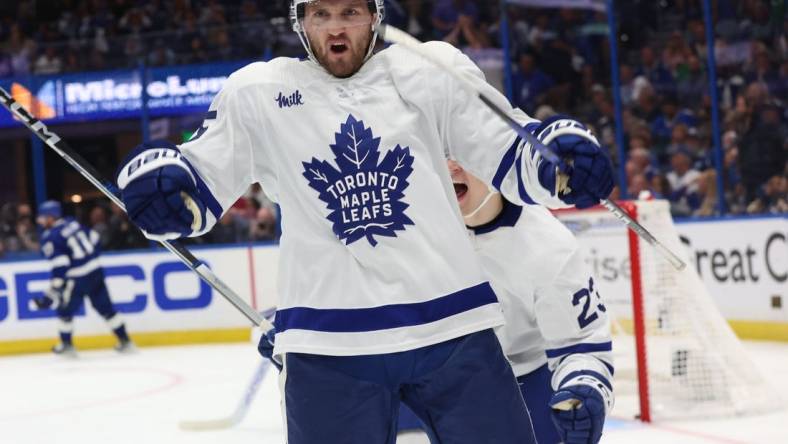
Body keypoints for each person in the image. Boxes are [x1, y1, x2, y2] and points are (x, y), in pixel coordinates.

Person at [115, 1, 614, 442]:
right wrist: (163, 186)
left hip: (453, 327)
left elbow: (506, 148)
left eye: (351, 12)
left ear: (374, 17)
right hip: (327, 345)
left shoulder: (428, 70)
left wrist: (557, 160)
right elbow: (199, 179)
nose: (336, 27)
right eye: (321, 14)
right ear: (301, 22)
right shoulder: (259, 93)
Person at [410, 160, 614, 444]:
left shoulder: (546, 244)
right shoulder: (415, 229)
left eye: (458, 153)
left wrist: (582, 388)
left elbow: (581, 343)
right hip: (447, 382)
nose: (448, 165)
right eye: (440, 153)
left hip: (528, 383)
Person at [34, 200, 135, 356]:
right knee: (106, 309)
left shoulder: (51, 236)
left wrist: (53, 291)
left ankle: (66, 345)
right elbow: (95, 239)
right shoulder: (71, 223)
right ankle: (125, 341)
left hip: (78, 278)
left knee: (64, 311)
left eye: (43, 217)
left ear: (51, 217)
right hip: (95, 271)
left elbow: (61, 266)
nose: (40, 221)